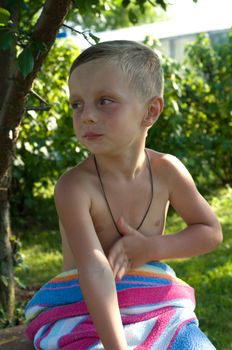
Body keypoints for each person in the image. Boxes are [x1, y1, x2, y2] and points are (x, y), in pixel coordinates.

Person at [25, 40, 222, 350]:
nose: (86, 115)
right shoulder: (75, 187)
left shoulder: (167, 171)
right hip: (83, 308)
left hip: (153, 302)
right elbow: (94, 269)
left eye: (104, 101)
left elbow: (210, 232)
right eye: (77, 103)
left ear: (150, 111)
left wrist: (151, 248)